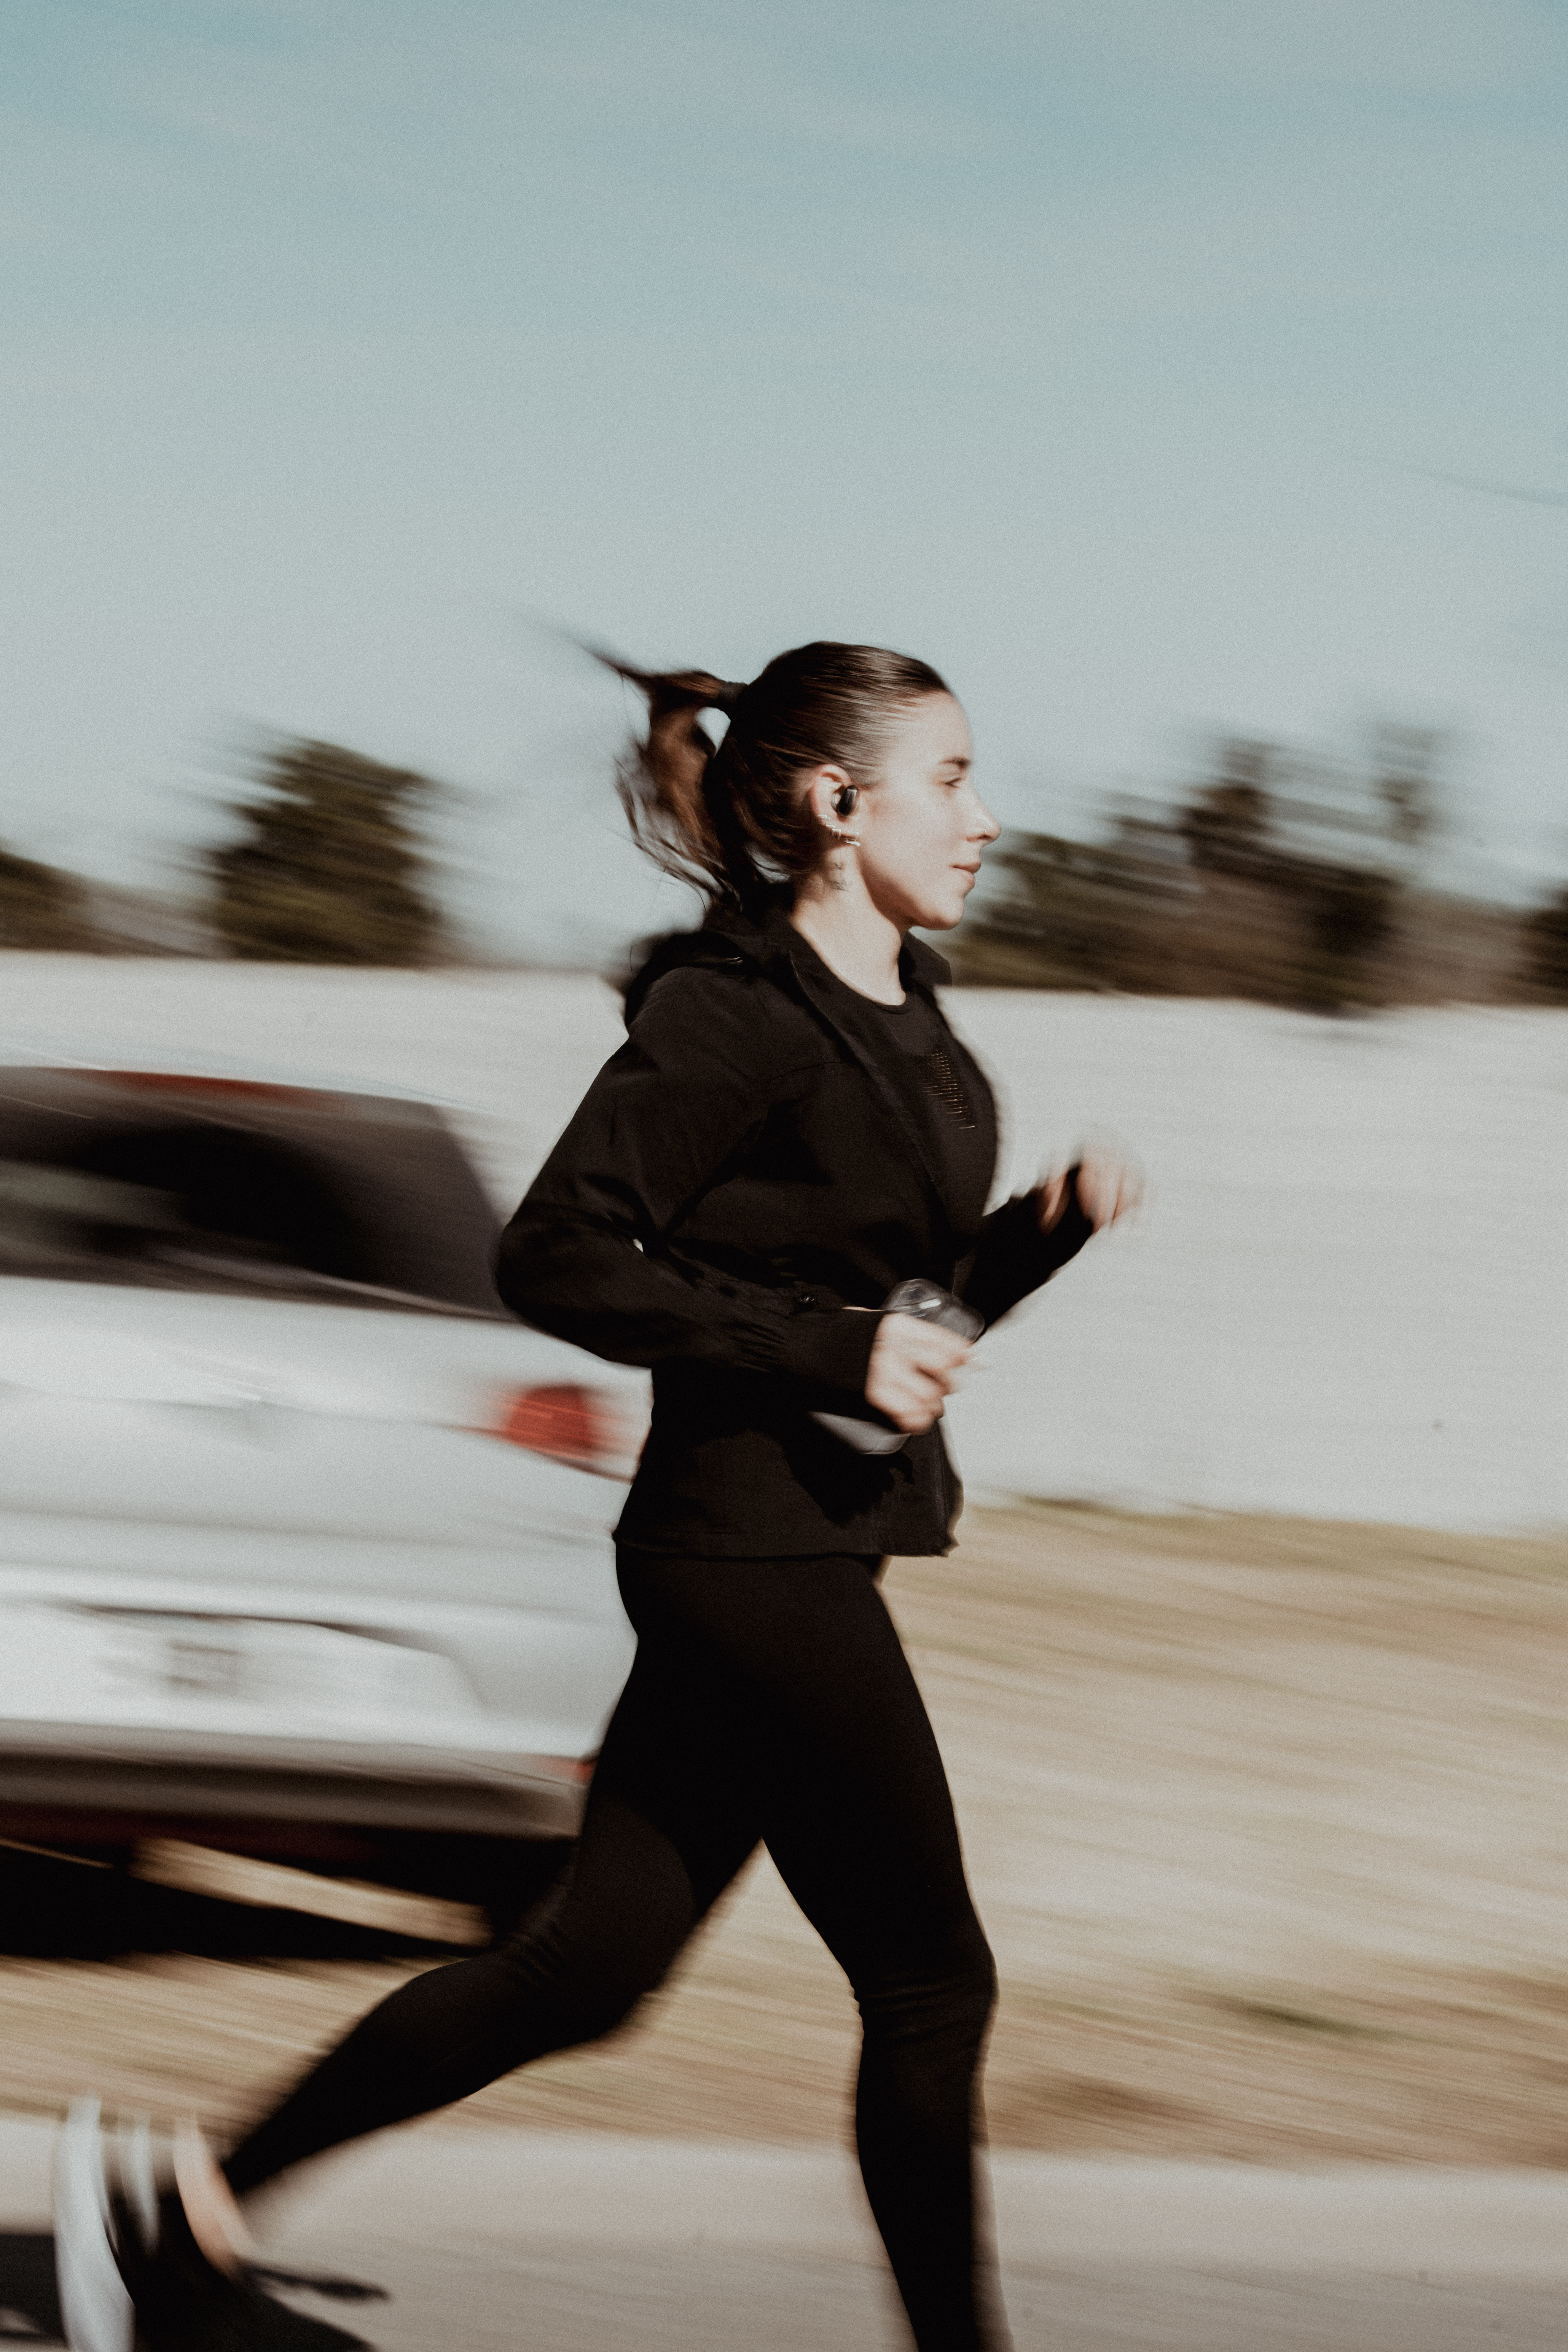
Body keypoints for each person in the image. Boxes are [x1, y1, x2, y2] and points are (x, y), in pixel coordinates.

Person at [60, 640, 1135, 2352]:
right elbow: (555, 1252)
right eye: (951, 781)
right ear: (837, 807)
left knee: (590, 1970)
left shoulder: (911, 1022)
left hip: (800, 1537)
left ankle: (174, 2226)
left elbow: (889, 1314)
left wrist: (1033, 1241)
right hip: (746, 1549)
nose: (986, 819)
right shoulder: (736, 1014)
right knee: (934, 1982)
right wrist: (821, 1351)